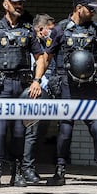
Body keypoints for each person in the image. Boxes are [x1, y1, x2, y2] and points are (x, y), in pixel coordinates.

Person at [34, 0, 97, 187]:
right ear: (78, 8)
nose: (94, 12)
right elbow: (46, 58)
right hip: (66, 86)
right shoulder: (60, 29)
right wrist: (37, 80)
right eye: (90, 8)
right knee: (65, 129)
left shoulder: (95, 29)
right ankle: (59, 172)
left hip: (90, 86)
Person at [0, 0, 43, 188]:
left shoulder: (28, 29)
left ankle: (17, 173)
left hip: (22, 87)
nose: (19, 5)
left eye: (21, 2)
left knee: (19, 132)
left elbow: (40, 58)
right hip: (1, 87)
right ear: (6, 4)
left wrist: (37, 81)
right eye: (15, 3)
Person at [22, 13, 55, 183]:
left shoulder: (47, 46)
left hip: (44, 95)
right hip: (30, 93)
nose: (52, 32)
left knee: (37, 133)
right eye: (50, 29)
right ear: (40, 29)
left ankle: (28, 168)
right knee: (30, 132)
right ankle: (26, 169)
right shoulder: (29, 45)